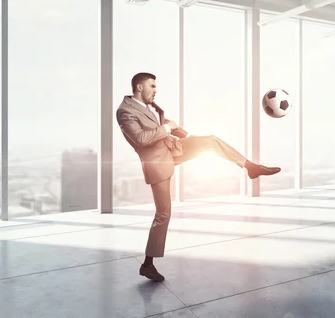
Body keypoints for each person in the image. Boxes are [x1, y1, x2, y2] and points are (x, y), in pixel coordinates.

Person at [116, 72, 281, 282]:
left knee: (211, 140)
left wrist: (188, 136)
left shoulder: (151, 106)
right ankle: (148, 265)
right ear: (139, 87)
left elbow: (164, 122)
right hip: (158, 162)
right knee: (163, 214)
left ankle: (250, 166)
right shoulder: (124, 112)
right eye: (152, 86)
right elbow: (141, 138)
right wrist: (168, 127)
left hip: (173, 148)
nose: (156, 90)